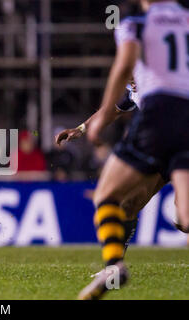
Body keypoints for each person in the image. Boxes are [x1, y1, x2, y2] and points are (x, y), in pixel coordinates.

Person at [77, 0, 189, 300]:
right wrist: (85, 126)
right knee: (184, 219)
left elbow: (124, 65)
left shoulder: (135, 21)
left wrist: (96, 126)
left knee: (106, 195)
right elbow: (118, 105)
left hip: (159, 120)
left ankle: (114, 265)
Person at [56, 79, 168, 255]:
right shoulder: (133, 91)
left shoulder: (168, 80)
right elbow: (111, 111)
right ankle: (115, 265)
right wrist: (81, 129)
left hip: (182, 150)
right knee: (128, 205)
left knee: (183, 221)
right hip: (157, 151)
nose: (131, 79)